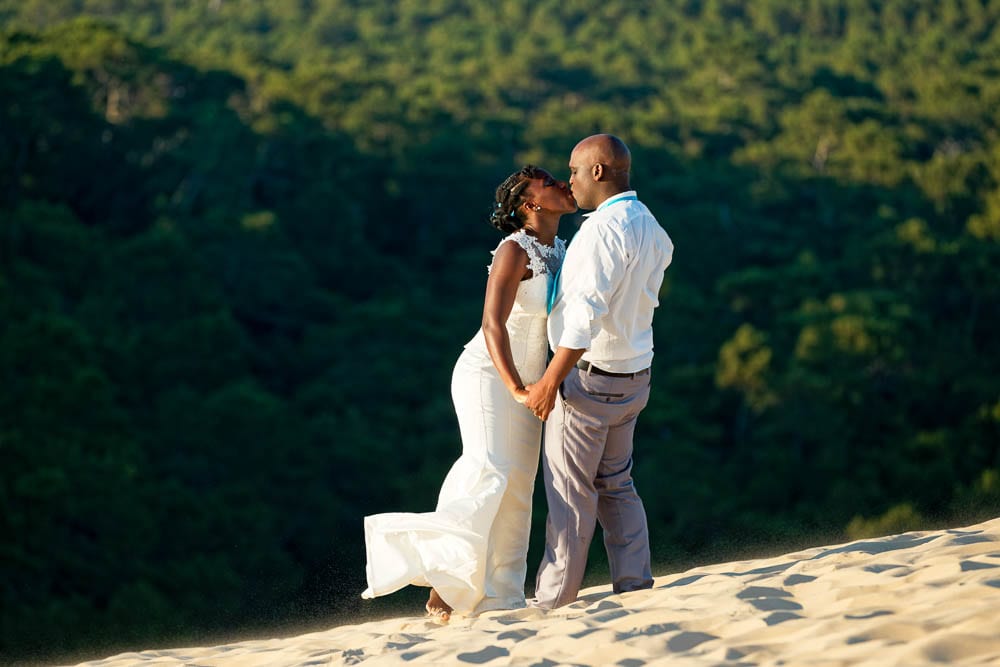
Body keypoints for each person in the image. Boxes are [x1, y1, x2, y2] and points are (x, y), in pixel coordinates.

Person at [362, 165, 577, 620]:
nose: (562, 183)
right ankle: (447, 580)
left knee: (520, 486)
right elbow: (491, 323)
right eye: (549, 181)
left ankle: (501, 595)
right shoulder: (513, 250)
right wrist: (517, 388)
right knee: (489, 469)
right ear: (529, 203)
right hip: (490, 376)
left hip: (535, 381)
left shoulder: (560, 247)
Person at [523, 134, 674, 610]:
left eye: (572, 170)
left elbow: (584, 318)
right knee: (617, 482)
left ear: (599, 172)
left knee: (569, 494)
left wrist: (550, 381)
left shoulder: (601, 233)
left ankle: (553, 601)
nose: (568, 179)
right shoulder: (650, 225)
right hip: (635, 373)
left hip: (589, 378)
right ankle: (634, 583)